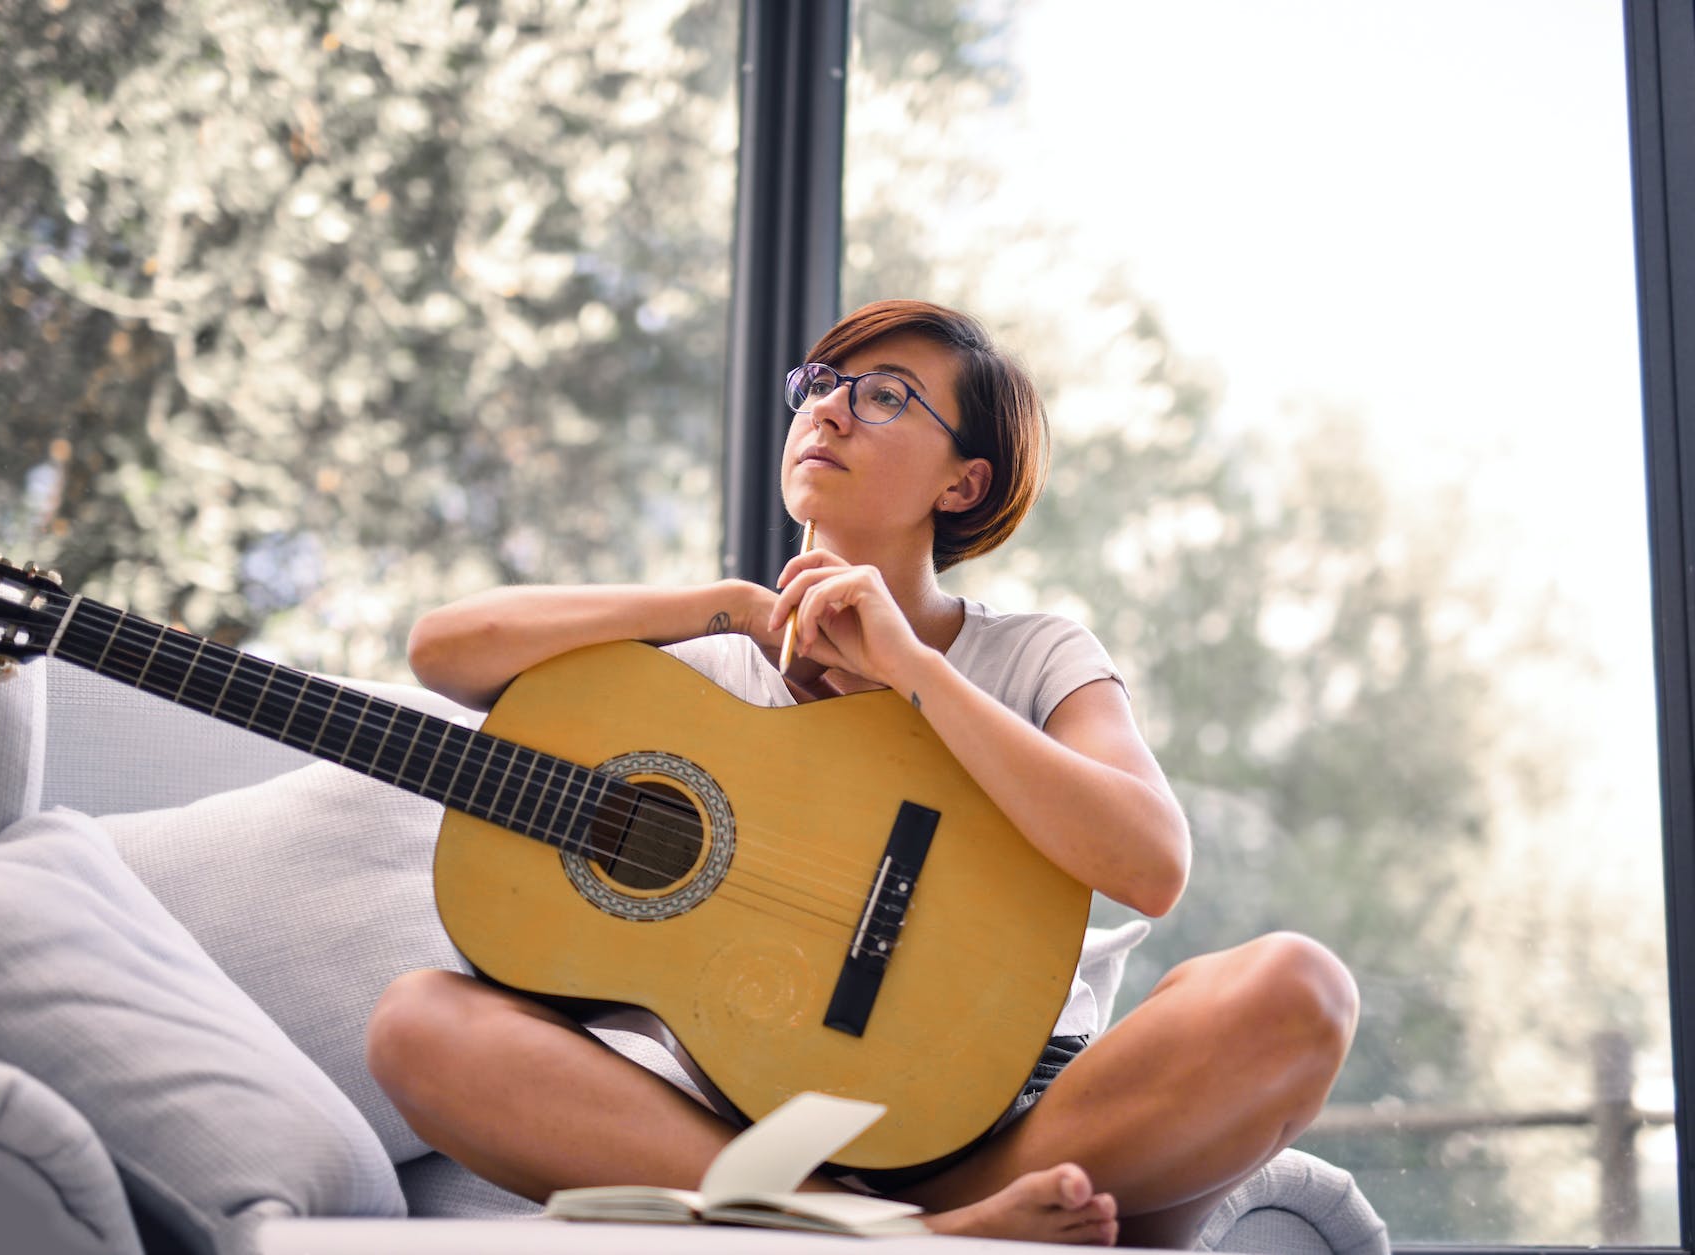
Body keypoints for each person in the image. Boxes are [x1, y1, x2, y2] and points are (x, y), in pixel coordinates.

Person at [366, 298, 1359, 1247]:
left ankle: (927, 1216)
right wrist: (723, 604)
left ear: (960, 483)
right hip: (764, 1138)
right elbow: (444, 652)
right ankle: (905, 1238)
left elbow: (1148, 861)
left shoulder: (1034, 654)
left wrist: (911, 671)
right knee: (416, 1024)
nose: (830, 406)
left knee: (1299, 987)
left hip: (1018, 1115)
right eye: (821, 381)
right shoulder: (693, 674)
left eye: (884, 394)